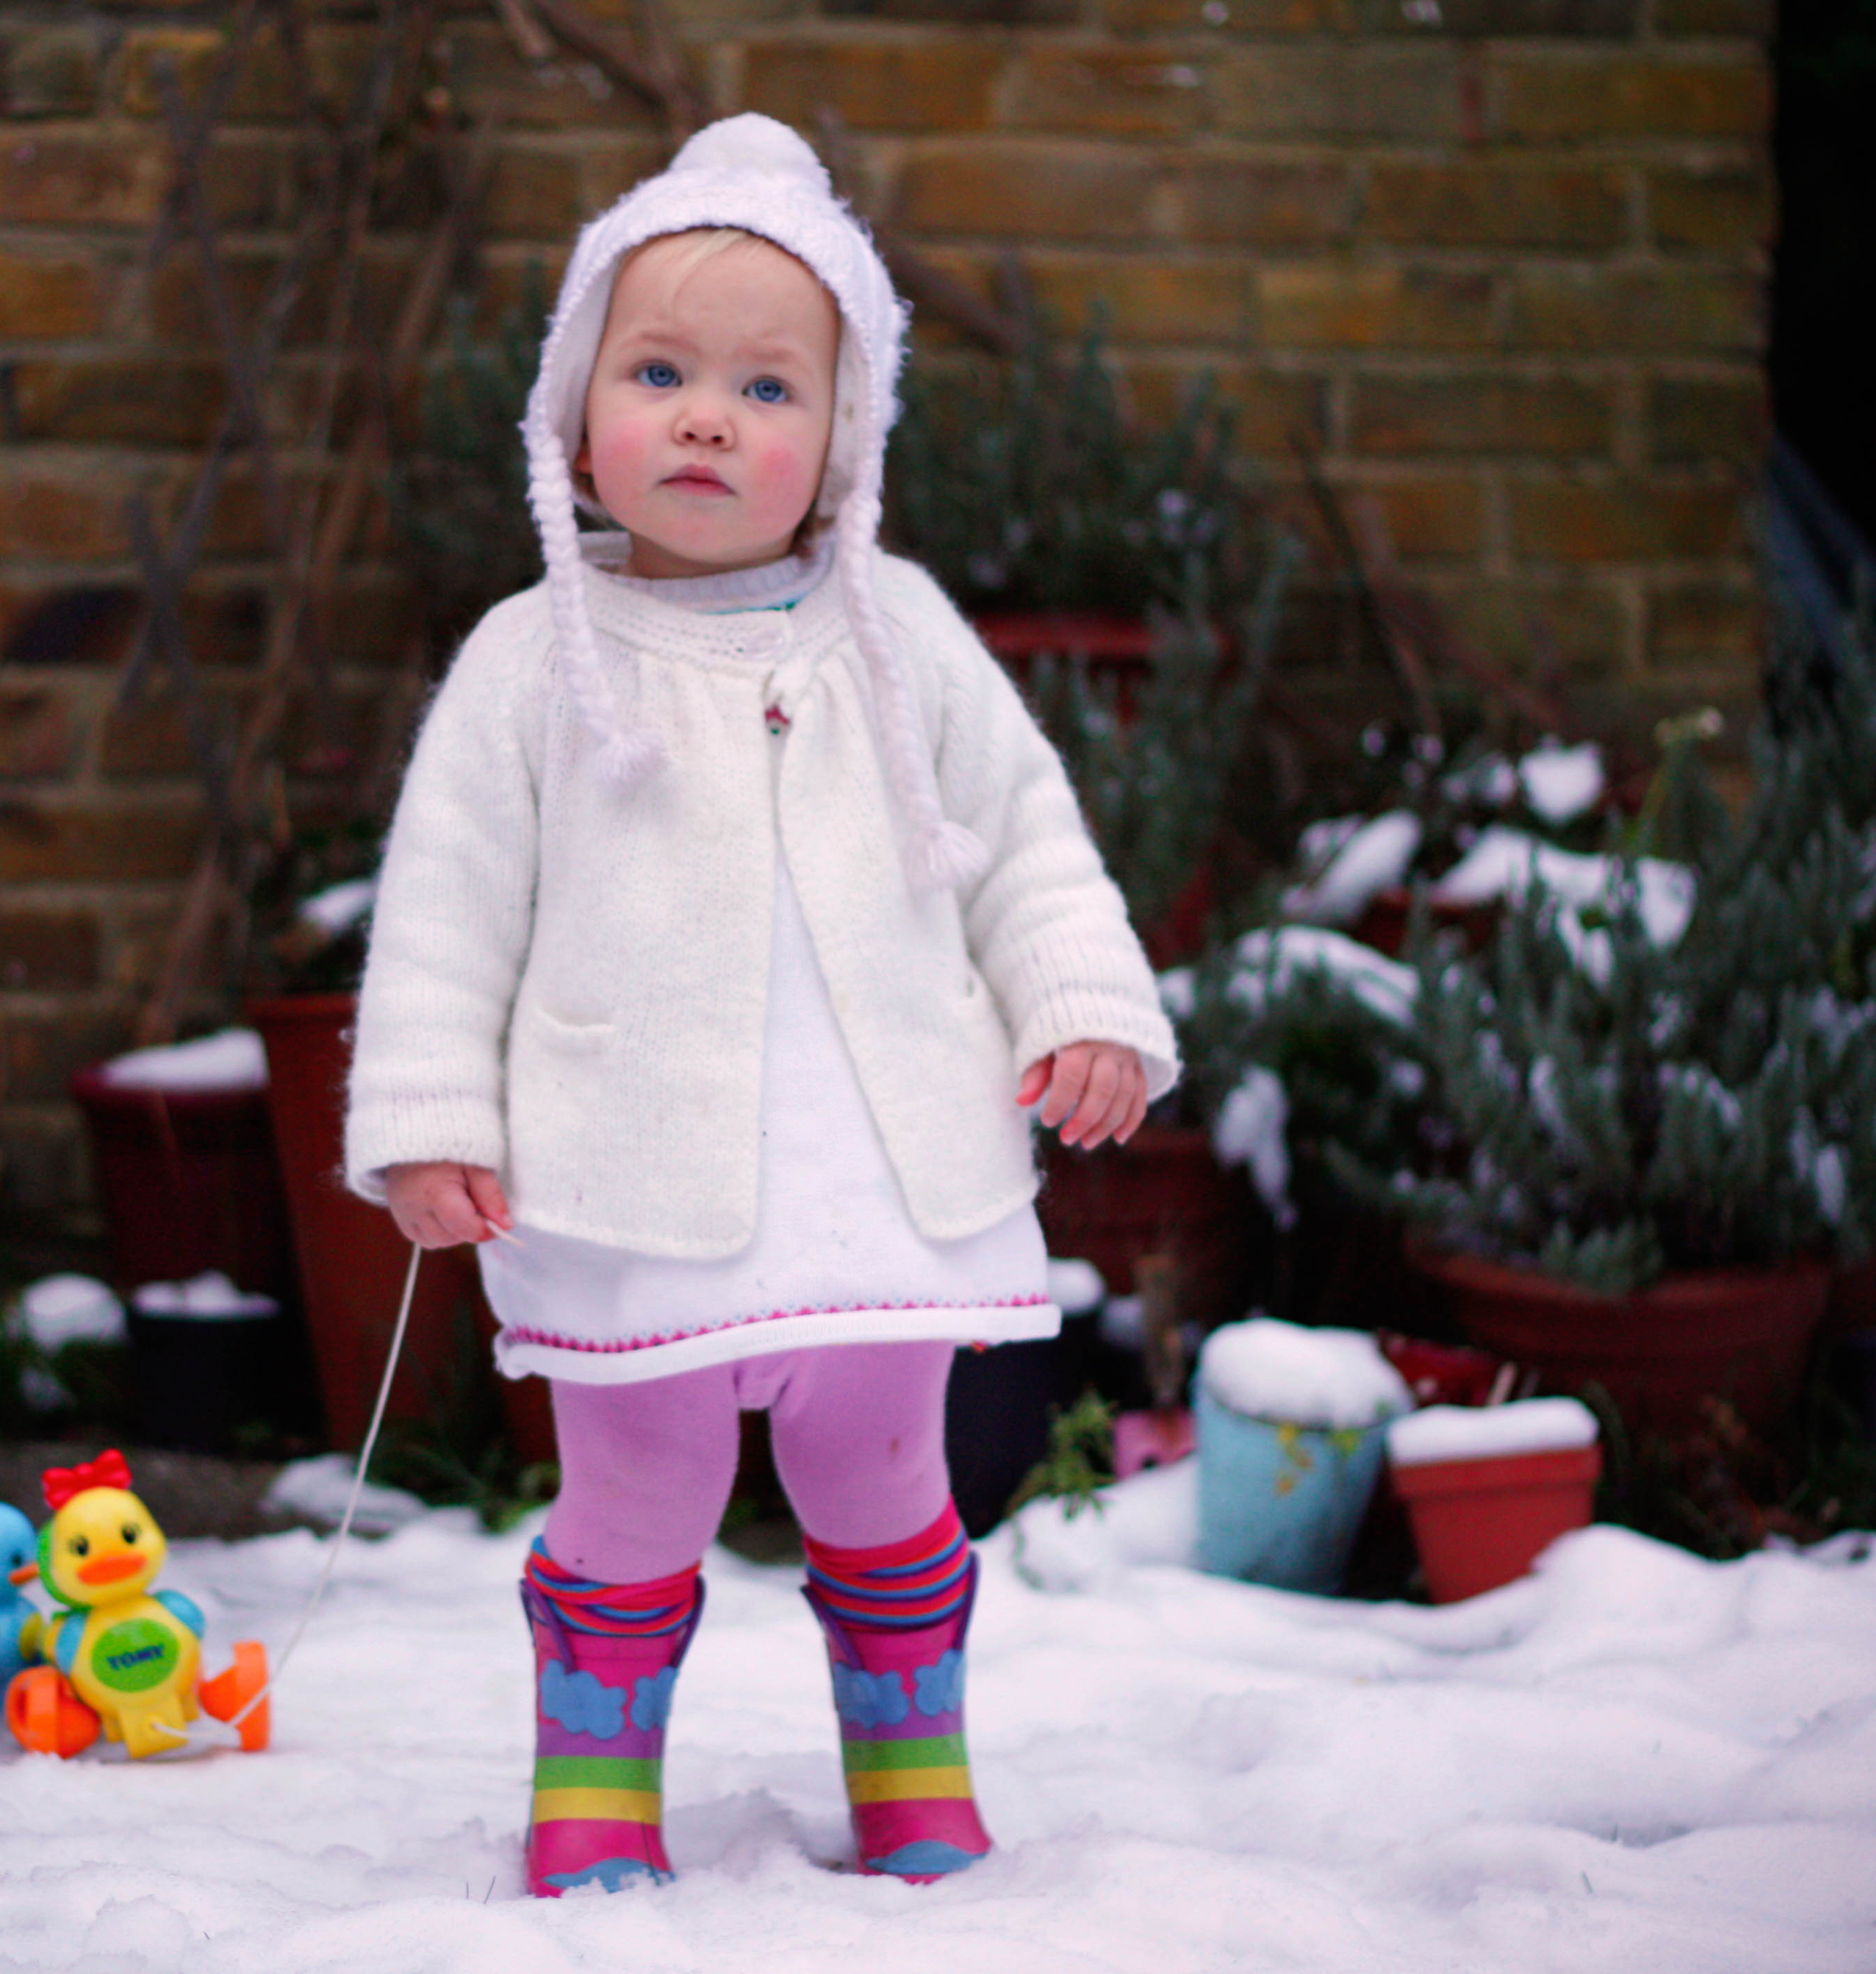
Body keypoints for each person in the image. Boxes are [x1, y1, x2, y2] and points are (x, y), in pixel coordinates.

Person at [343, 114, 1177, 1896]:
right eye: (659, 371)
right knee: (634, 1492)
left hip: (875, 1183)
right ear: (577, 417)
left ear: (843, 448)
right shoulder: (534, 661)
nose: (710, 416)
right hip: (630, 1182)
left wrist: (1085, 1003)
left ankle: (913, 1776)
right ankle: (592, 1792)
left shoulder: (901, 633)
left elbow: (1023, 835)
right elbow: (445, 911)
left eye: (767, 388)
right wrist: (427, 1119)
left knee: (881, 1480)